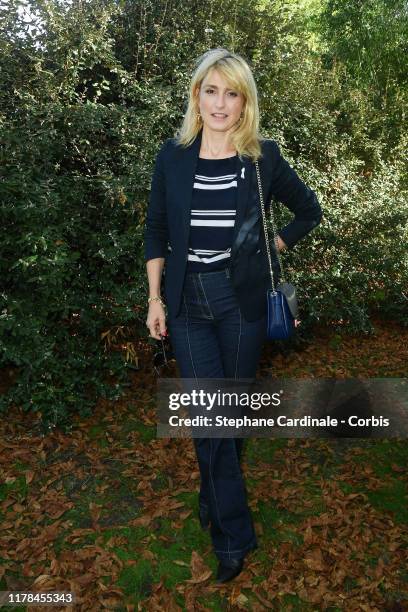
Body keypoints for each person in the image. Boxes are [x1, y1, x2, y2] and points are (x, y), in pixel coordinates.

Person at [144, 47, 322, 583]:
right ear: (196, 96)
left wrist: (274, 244)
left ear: (245, 102)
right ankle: (233, 537)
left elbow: (309, 209)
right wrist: (154, 298)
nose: (220, 103)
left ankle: (214, 496)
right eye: (210, 90)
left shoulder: (261, 157)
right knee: (209, 421)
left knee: (228, 420)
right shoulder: (172, 157)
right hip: (186, 305)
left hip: (241, 305)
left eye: (232, 92)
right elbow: (156, 230)